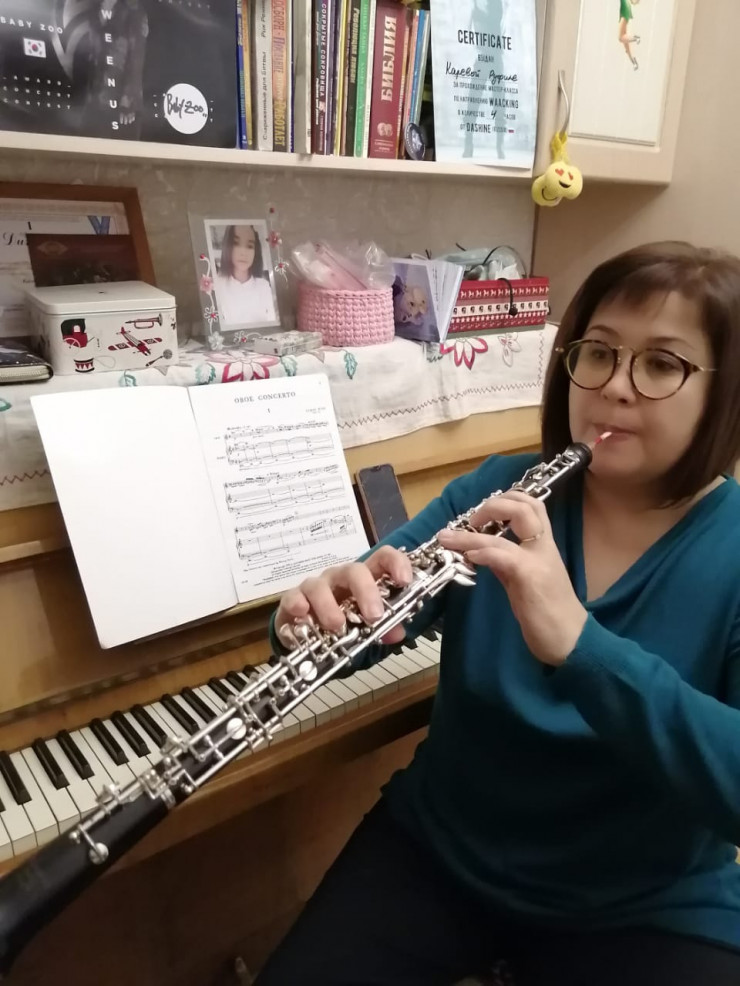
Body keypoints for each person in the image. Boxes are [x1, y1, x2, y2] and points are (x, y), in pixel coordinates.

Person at [255, 242, 740, 986]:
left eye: (661, 364)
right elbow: (366, 617)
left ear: (725, 392)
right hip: (438, 855)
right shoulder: (499, 491)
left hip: (643, 903)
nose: (615, 387)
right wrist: (306, 619)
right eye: (598, 353)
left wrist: (582, 646)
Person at [213, 224, 276, 326]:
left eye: (249, 246)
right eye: (236, 243)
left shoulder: (264, 286)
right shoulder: (217, 286)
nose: (243, 253)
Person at [619, 0, 641, 70]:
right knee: (625, 41)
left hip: (625, 9)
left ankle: (635, 38)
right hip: (625, 8)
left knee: (621, 37)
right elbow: (634, 2)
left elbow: (634, 2)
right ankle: (633, 61)